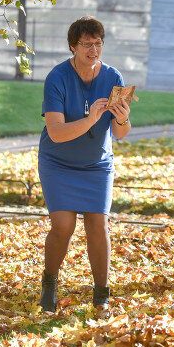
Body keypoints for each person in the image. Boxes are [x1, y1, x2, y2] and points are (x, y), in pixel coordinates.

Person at [38, 16, 132, 313]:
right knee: (63, 224)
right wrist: (91, 118)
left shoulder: (113, 77)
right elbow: (56, 132)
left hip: (96, 164)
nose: (94, 49)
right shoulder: (57, 77)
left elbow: (119, 133)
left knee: (98, 223)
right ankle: (50, 282)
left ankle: (102, 293)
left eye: (98, 43)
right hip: (58, 162)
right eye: (87, 44)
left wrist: (122, 117)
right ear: (73, 46)